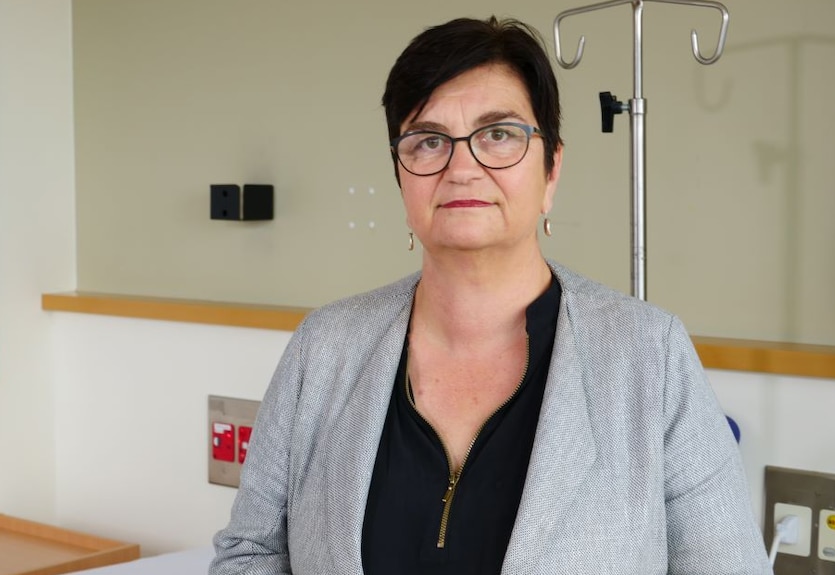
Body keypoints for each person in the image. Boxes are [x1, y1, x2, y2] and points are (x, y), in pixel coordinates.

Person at [209, 16, 771, 575]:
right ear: (402, 177)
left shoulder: (650, 355)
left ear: (552, 169)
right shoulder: (324, 348)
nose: (462, 168)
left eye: (498, 134)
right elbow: (250, 552)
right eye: (429, 141)